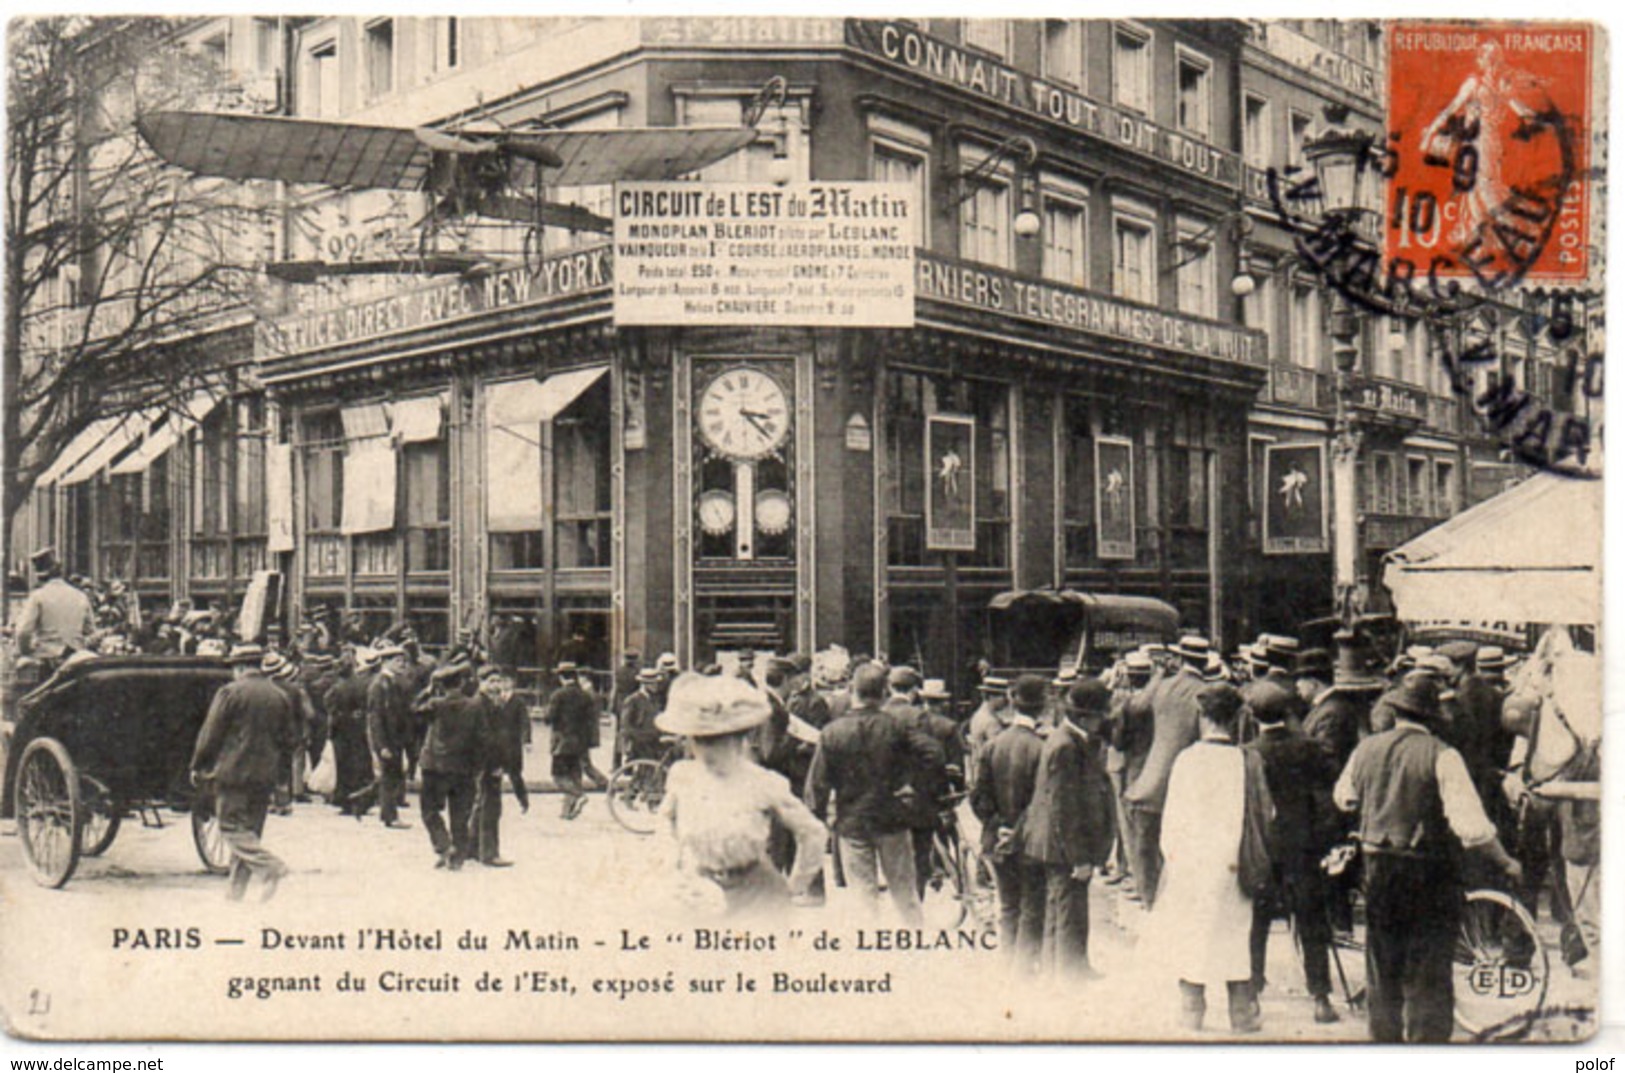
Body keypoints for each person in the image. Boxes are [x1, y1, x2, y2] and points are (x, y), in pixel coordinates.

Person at [1335, 671, 1523, 1042]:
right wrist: (1505, 862)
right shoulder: (1442, 755)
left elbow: (1344, 798)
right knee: (1428, 973)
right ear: (1432, 716)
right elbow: (1472, 828)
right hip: (1428, 874)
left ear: (1398, 712)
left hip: (1378, 870)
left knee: (1383, 969)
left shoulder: (1365, 749)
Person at [1152, 683, 1273, 1034]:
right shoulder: (1248, 761)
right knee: (1235, 934)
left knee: (1193, 934)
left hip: (1192, 865)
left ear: (1202, 717)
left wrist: (1174, 862)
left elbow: (1171, 824)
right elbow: (1267, 815)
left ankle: (1192, 1010)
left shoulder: (1187, 761)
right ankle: (1242, 1013)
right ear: (1236, 719)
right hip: (1235, 864)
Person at [657, 673, 826, 921]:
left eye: (718, 741)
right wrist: (674, 869)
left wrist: (793, 886)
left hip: (757, 893)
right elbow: (664, 822)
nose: (708, 751)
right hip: (699, 890)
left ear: (740, 738)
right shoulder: (682, 776)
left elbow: (813, 832)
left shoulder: (764, 782)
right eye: (700, 741)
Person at [806, 662, 934, 925]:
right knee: (904, 892)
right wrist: (912, 785)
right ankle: (917, 943)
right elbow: (933, 753)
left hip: (852, 821)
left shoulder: (832, 733)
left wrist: (818, 818)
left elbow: (817, 785)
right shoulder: (896, 727)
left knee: (863, 896)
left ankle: (870, 949)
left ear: (853, 690)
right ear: (884, 693)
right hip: (892, 818)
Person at [1245, 686, 1341, 1024]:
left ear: (1253, 716)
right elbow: (1331, 790)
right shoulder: (1309, 748)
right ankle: (1321, 998)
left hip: (1263, 847)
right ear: (1287, 714)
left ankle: (1251, 994)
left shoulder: (1249, 753)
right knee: (1312, 920)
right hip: (1303, 845)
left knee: (1256, 921)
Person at [1021, 680, 1115, 981]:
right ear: (1087, 717)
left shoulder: (1069, 740)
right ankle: (1068, 976)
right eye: (1101, 715)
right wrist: (1079, 858)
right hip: (1063, 846)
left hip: (1057, 843)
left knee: (1064, 907)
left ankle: (1066, 968)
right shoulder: (1066, 747)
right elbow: (1064, 808)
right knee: (1068, 911)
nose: (1103, 721)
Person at [189, 643, 295, 902]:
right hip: (265, 774)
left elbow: (210, 733)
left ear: (240, 667)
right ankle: (235, 894)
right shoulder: (279, 695)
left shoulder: (230, 692)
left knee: (230, 827)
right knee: (250, 832)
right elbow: (289, 741)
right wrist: (282, 779)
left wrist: (198, 764)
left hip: (233, 772)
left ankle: (271, 867)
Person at [1121, 635, 1210, 908]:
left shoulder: (1163, 687)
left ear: (1180, 659)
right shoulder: (1207, 692)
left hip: (1150, 783)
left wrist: (1158, 675)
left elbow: (1135, 708)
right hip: (1189, 786)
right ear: (1205, 661)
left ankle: (1152, 905)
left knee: (1146, 848)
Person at [971, 674, 1049, 974]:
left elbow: (978, 796)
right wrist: (1019, 829)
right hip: (1030, 842)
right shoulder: (1042, 748)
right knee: (1032, 906)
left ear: (1013, 704)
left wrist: (997, 824)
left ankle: (1006, 965)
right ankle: (1023, 968)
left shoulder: (994, 745)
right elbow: (1042, 801)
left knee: (1007, 904)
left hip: (997, 839)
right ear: (1041, 707)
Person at [882, 665, 951, 898]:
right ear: (913, 692)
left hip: (884, 798)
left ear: (890, 687)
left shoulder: (878, 714)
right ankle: (915, 903)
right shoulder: (917, 716)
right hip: (915, 797)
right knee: (920, 854)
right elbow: (932, 756)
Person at [417, 660, 487, 870]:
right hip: (463, 768)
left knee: (429, 810)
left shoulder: (435, 704)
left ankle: (444, 846)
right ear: (462, 682)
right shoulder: (475, 706)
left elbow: (413, 710)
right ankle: (457, 857)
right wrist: (477, 766)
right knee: (460, 814)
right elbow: (482, 739)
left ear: (441, 685)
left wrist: (427, 691)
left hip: (434, 766)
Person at [470, 665, 530, 867]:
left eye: (498, 681)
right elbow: (488, 739)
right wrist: (495, 764)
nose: (495, 686)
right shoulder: (482, 704)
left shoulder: (488, 702)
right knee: (491, 808)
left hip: (483, 763)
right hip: (488, 763)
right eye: (491, 681)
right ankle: (489, 853)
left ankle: (473, 847)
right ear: (481, 682)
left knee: (481, 805)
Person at [1302, 631, 1387, 771]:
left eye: (1301, 680)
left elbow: (1328, 759)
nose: (1297, 685)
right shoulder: (1327, 706)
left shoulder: (1331, 711)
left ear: (1313, 683)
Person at [14, 547, 95, 667]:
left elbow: (23, 632)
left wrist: (26, 651)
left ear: (39, 576)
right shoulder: (80, 596)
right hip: (76, 660)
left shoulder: (38, 597)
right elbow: (90, 631)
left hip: (47, 660)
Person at [367, 644, 415, 829]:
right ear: (386, 662)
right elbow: (376, 717)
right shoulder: (380, 685)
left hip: (395, 737)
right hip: (387, 738)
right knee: (389, 777)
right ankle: (390, 815)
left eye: (403, 661)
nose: (402, 664)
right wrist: (382, 745)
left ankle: (383, 810)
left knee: (392, 776)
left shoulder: (392, 683)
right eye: (397, 661)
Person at [546, 662, 601, 820]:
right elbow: (591, 720)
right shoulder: (585, 695)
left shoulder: (558, 695)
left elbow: (549, 718)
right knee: (575, 775)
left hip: (562, 741)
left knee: (558, 776)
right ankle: (567, 811)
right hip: (581, 742)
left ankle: (578, 795)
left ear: (561, 677)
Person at [325, 649, 376, 817]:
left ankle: (345, 800)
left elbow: (330, 707)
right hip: (358, 729)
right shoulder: (361, 684)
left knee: (344, 767)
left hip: (342, 731)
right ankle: (363, 798)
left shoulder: (337, 687)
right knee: (361, 764)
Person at [618, 667, 667, 764]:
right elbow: (625, 726)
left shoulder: (654, 700)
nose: (656, 686)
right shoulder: (633, 700)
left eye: (656, 683)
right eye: (653, 683)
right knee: (645, 770)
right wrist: (638, 738)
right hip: (640, 744)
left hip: (653, 741)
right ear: (645, 684)